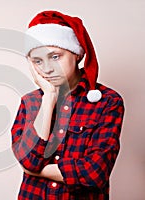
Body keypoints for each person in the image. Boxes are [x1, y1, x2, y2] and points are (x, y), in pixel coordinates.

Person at [11, 10, 125, 199]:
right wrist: (48, 97)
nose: (47, 69)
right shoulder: (29, 103)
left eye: (55, 57)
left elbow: (95, 173)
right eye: (37, 61)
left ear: (77, 55)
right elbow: (28, 160)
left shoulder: (108, 102)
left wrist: (36, 169)